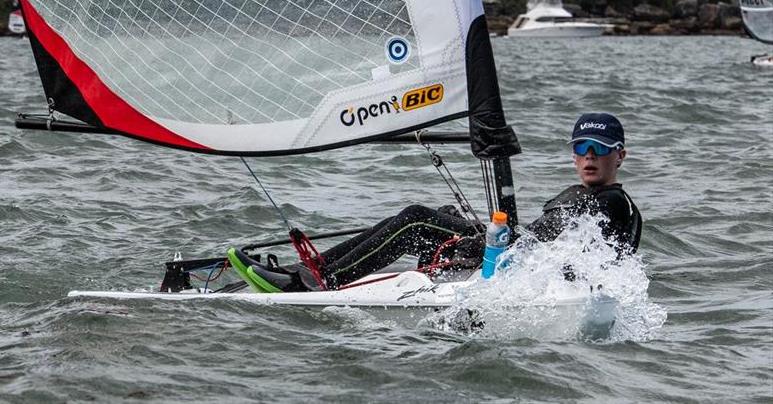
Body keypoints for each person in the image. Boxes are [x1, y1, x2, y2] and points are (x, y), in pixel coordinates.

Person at [228, 113, 641, 293]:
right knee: (434, 218)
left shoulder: (610, 204)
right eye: (582, 147)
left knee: (415, 220)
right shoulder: (587, 196)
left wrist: (485, 243)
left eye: (601, 148)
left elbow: (544, 247)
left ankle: (316, 281)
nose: (590, 156)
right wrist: (482, 235)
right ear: (572, 154)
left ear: (619, 155)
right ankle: (312, 271)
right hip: (514, 258)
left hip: (520, 271)